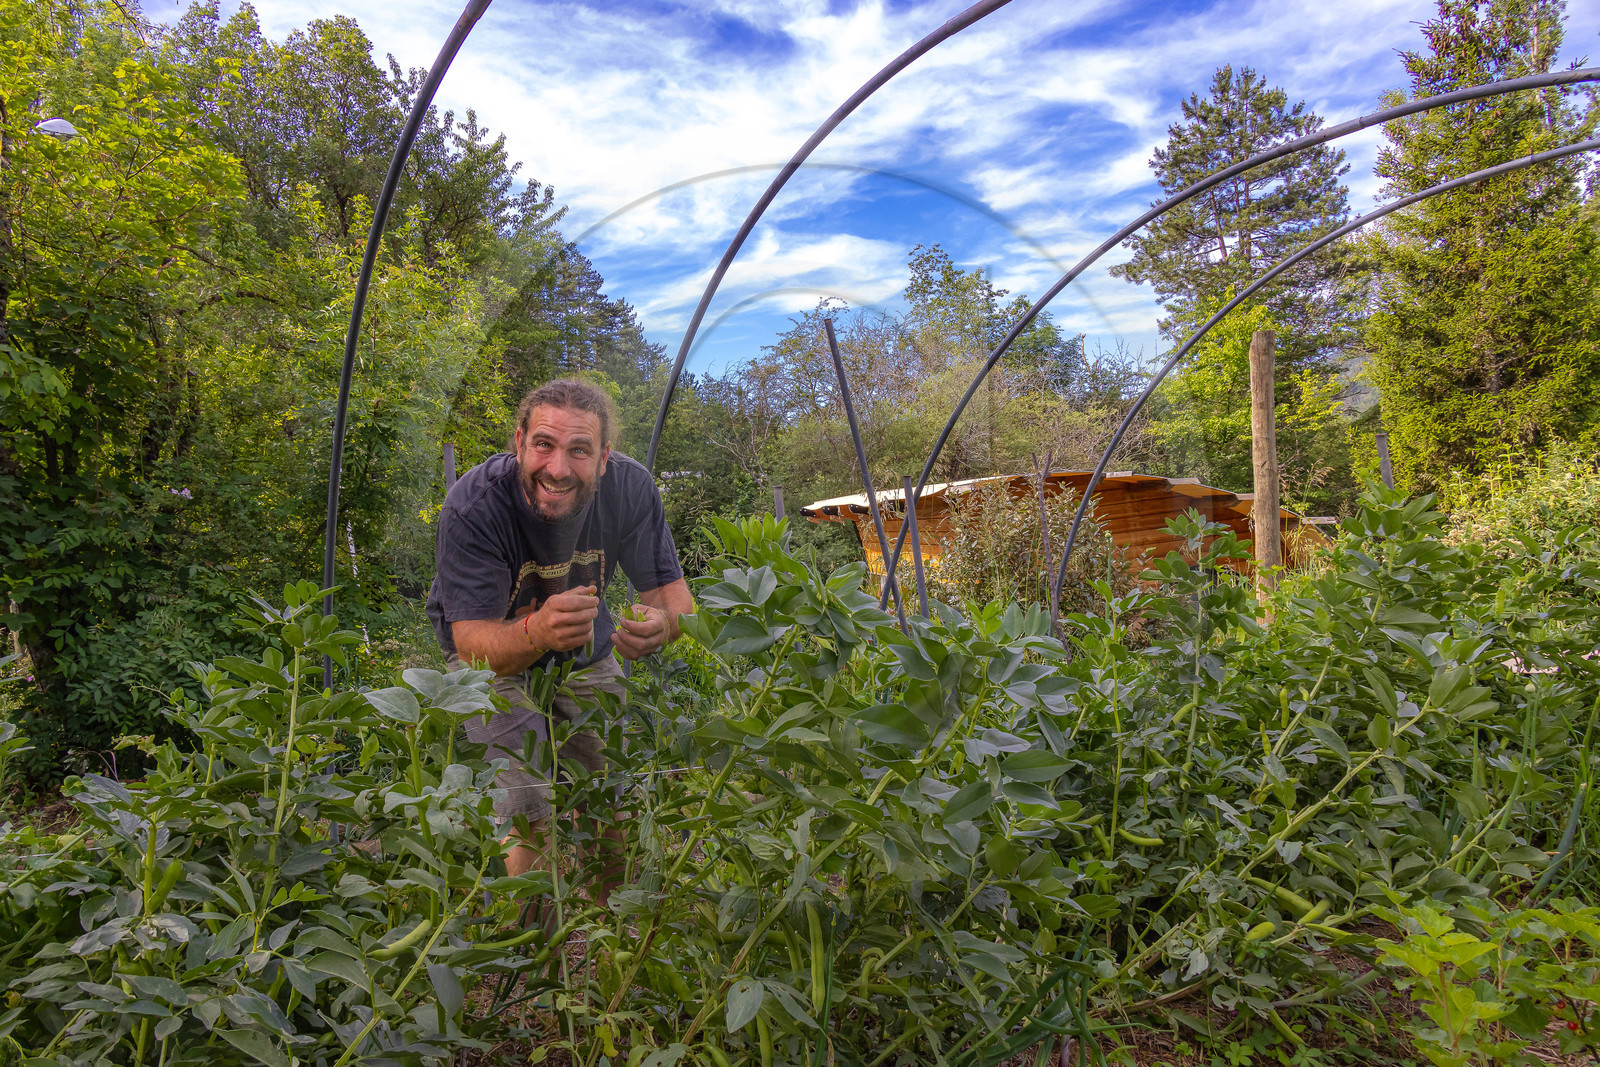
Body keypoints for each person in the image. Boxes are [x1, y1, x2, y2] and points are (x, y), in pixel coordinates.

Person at [425, 378, 693, 899]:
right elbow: (473, 645)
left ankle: (615, 929)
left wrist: (662, 626)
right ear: (519, 442)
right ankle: (535, 942)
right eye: (544, 444)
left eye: (579, 450)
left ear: (604, 458)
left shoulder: (630, 489)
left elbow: (675, 600)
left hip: (584, 650)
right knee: (527, 807)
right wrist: (537, 630)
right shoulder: (475, 505)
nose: (558, 468)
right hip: (491, 657)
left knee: (609, 797)